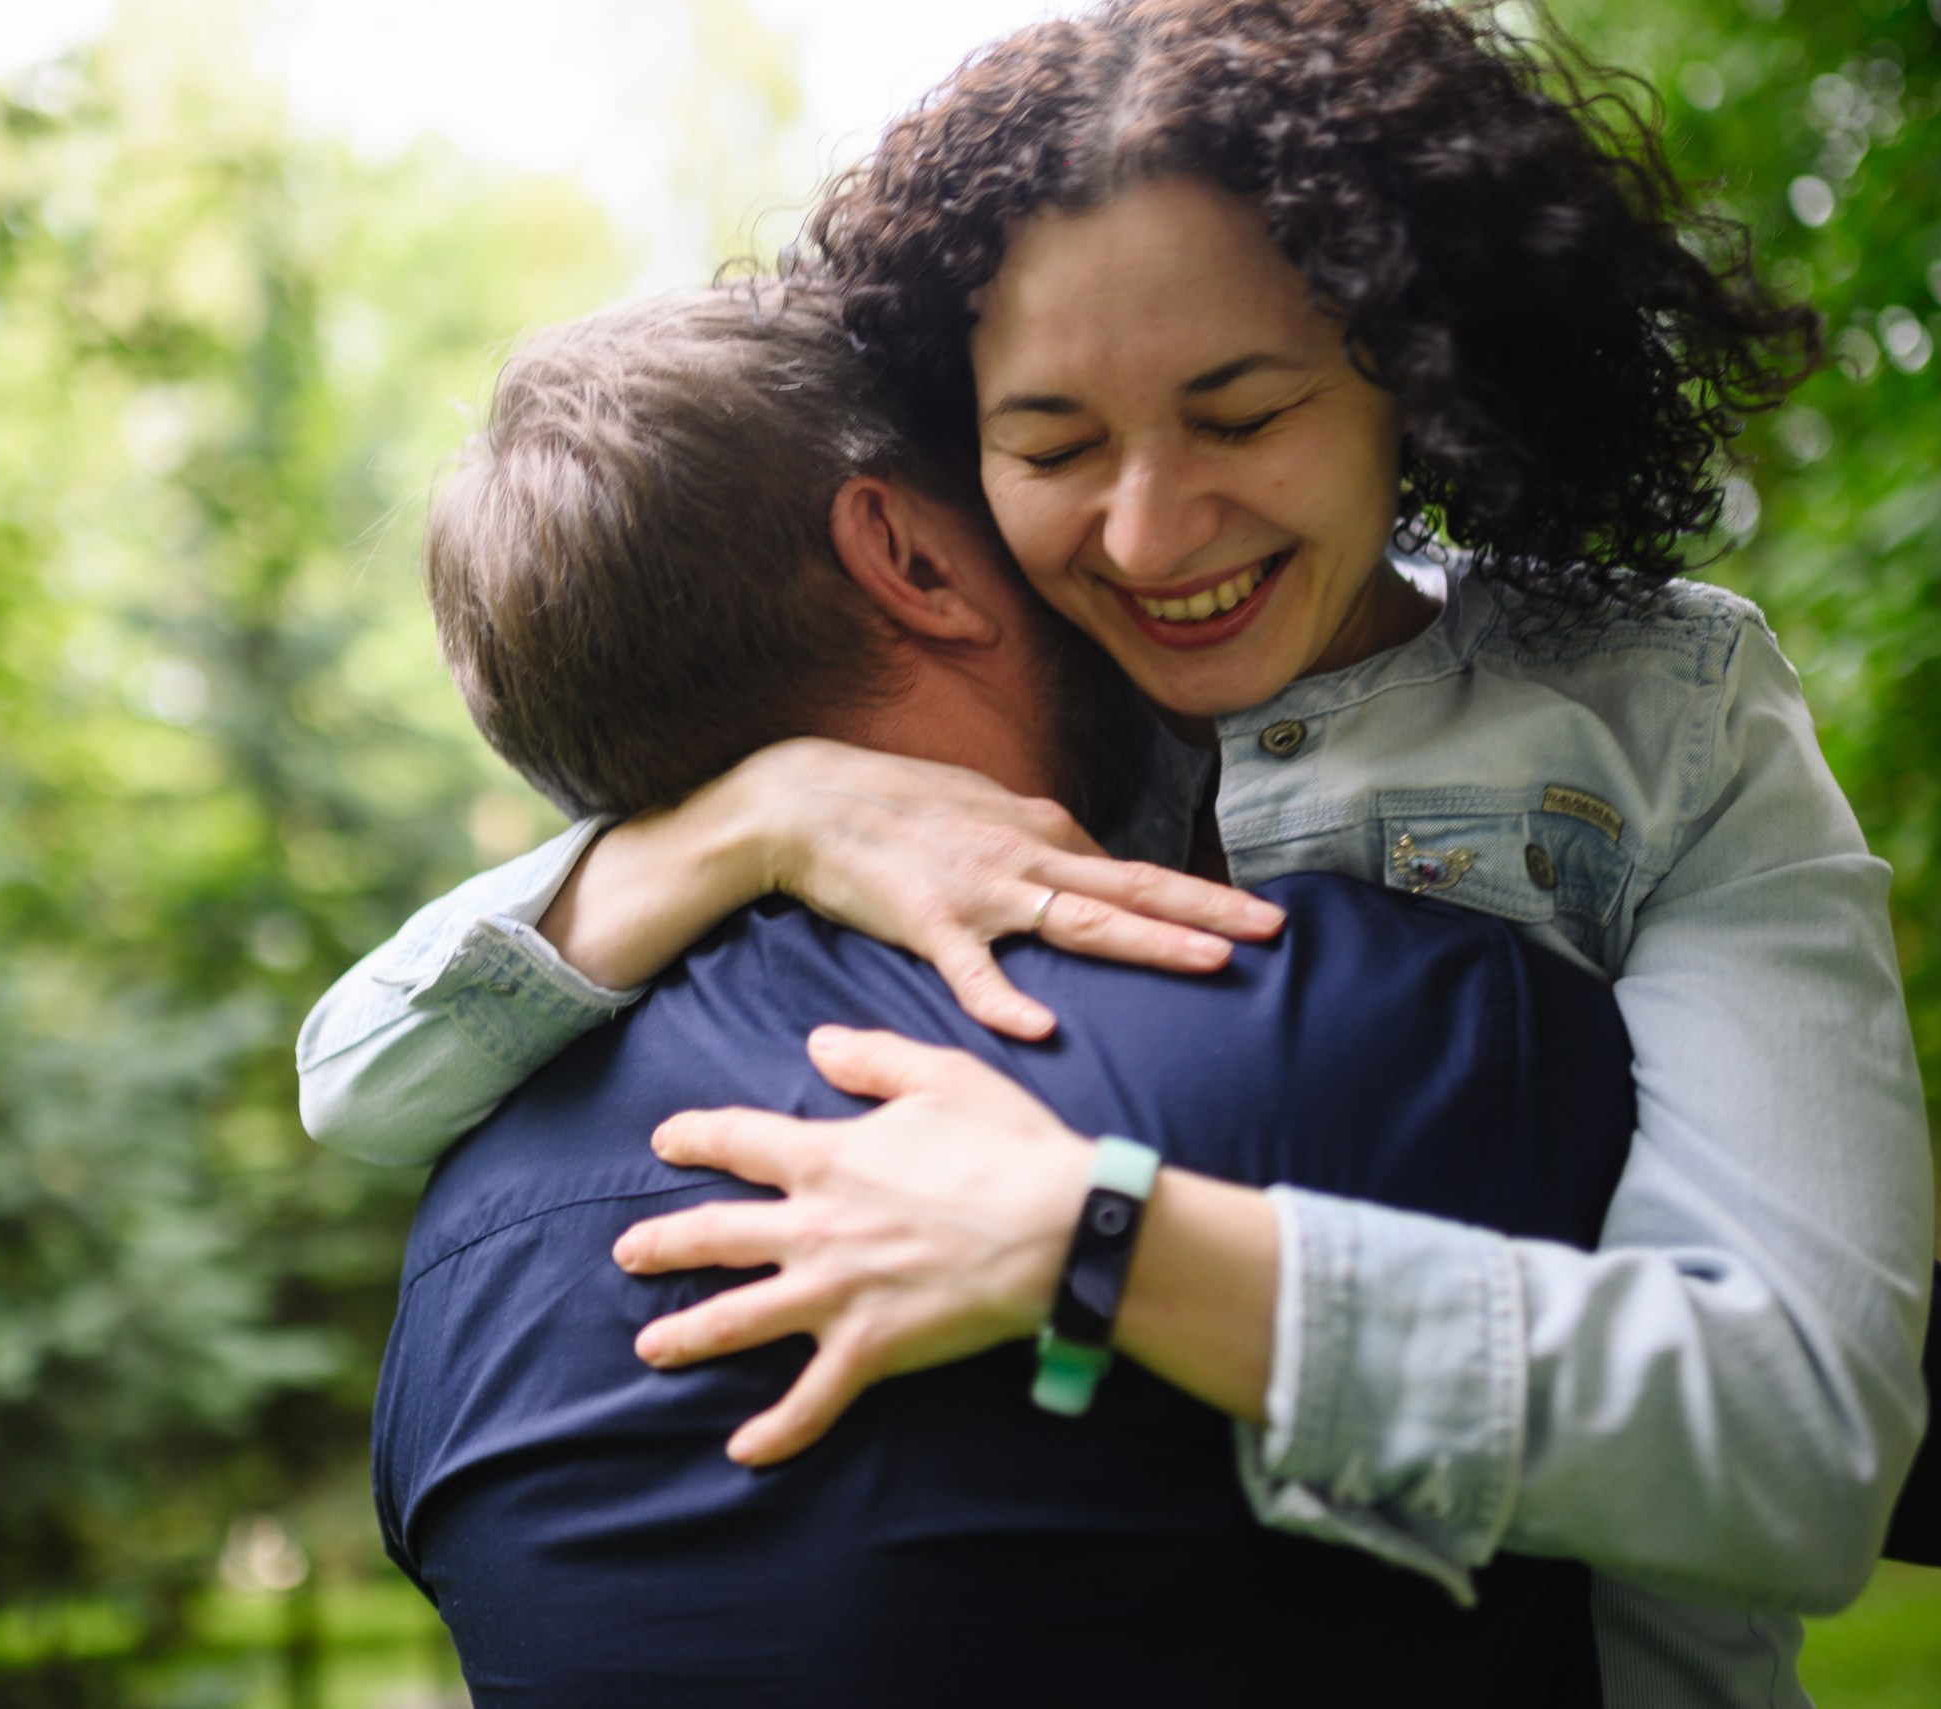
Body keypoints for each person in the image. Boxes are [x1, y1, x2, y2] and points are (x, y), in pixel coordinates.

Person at [303, 3, 1941, 1700]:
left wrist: (1092, 1238)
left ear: (1411, 370)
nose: (1148, 534)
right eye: (1052, 444)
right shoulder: (1063, 715)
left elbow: (1813, 1442)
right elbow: (356, 1076)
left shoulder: (1656, 707)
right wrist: (761, 814)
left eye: (1241, 414)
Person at [373, 286, 1640, 1706]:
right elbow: (1914, 1442)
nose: (1117, 547)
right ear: (911, 554)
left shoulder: (446, 1282)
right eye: (1030, 469)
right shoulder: (1367, 1020)